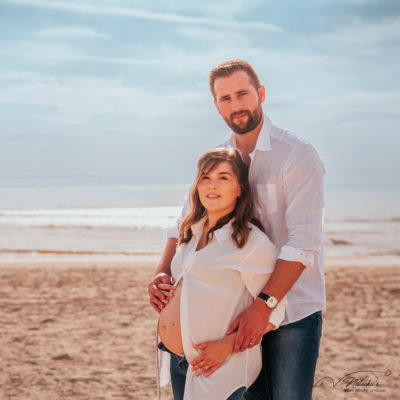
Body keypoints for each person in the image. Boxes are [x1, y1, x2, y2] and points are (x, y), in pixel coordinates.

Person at [149, 59, 325, 400]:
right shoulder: (219, 159)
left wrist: (262, 309)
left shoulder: (297, 154)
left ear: (260, 94)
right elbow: (186, 220)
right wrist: (161, 272)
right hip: (228, 312)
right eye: (226, 98)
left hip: (291, 311)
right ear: (217, 106)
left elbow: (303, 243)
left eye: (243, 94)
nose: (236, 105)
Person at [156, 148, 287, 400]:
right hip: (180, 362)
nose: (212, 185)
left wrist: (225, 347)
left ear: (239, 189)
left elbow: (276, 311)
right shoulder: (189, 233)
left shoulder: (251, 243)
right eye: (205, 177)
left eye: (223, 178)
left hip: (219, 364)